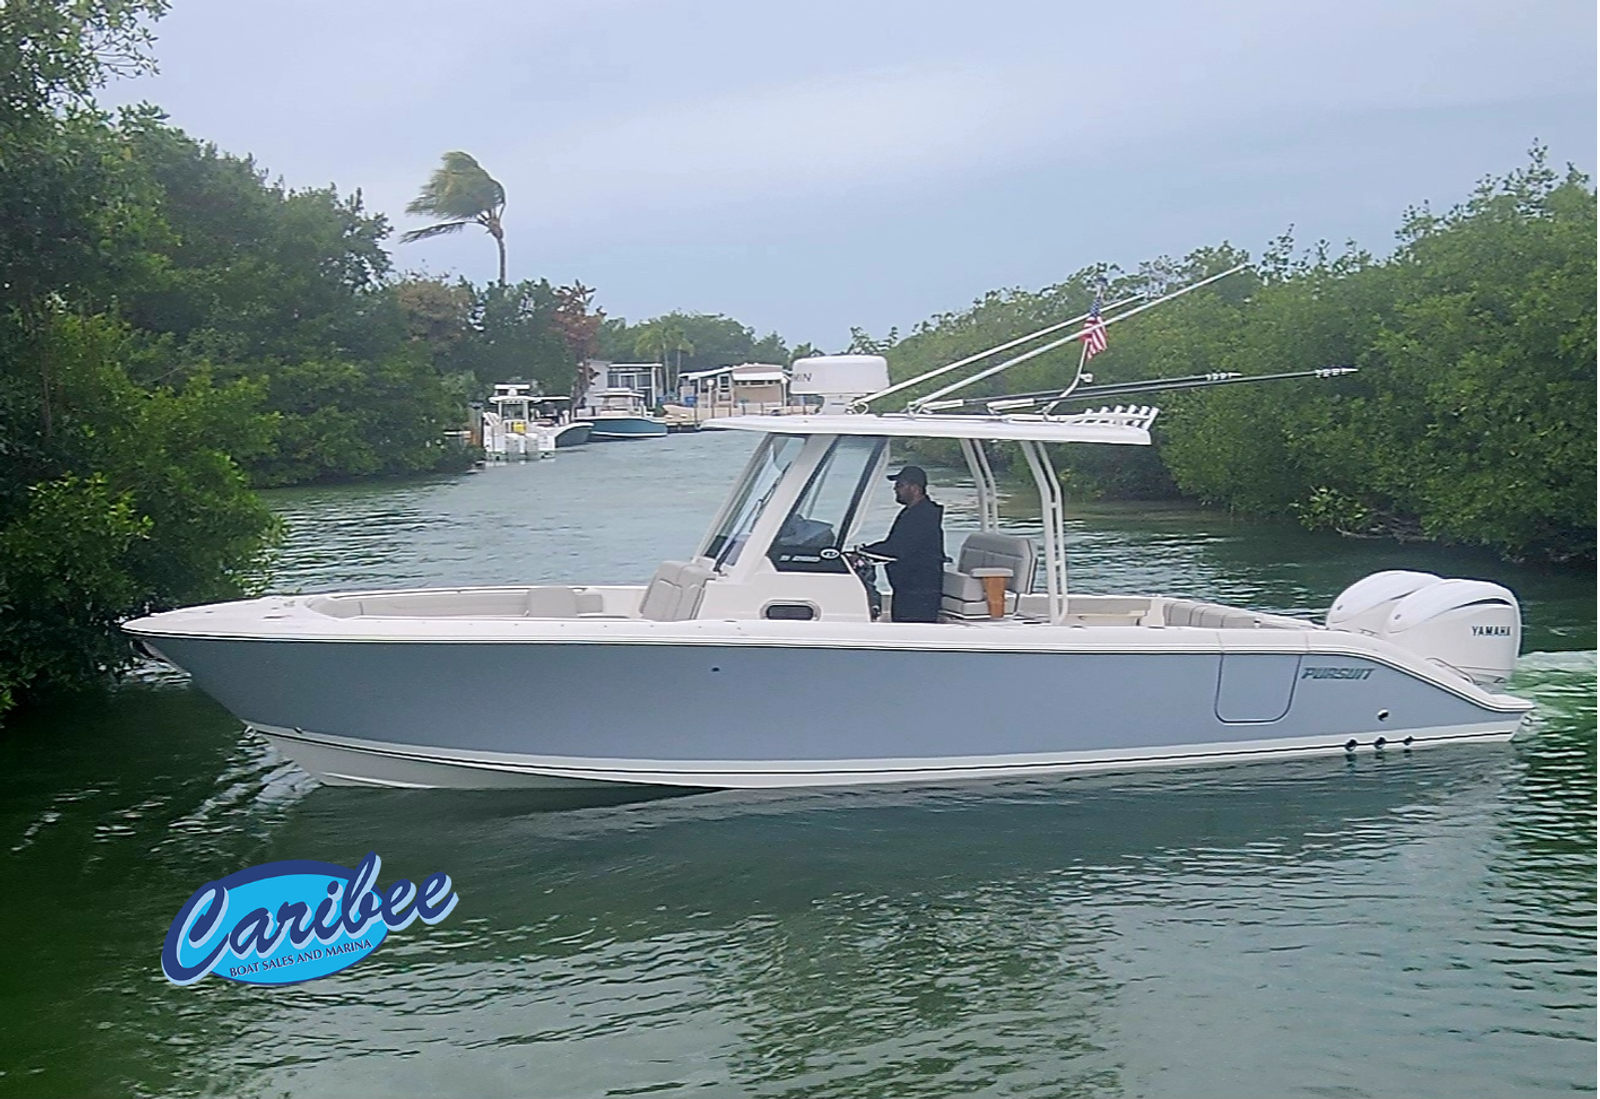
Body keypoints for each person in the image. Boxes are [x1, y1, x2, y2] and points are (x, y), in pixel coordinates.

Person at [857, 465, 946, 622]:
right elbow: (894, 544)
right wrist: (866, 552)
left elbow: (897, 548)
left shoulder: (922, 516)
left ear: (915, 488)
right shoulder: (913, 512)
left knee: (911, 628)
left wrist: (863, 552)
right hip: (908, 586)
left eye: (900, 485)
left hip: (919, 589)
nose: (895, 489)